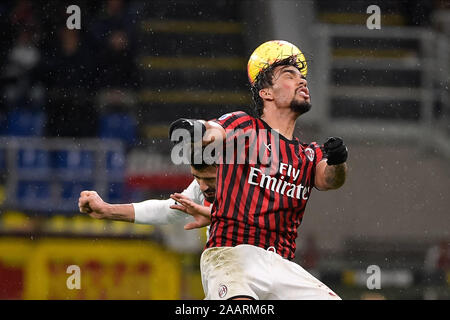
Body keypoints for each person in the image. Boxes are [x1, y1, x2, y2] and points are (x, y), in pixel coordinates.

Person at [169, 40, 348, 300]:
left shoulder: (310, 154)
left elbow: (331, 179)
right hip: (232, 254)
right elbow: (215, 132)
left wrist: (338, 160)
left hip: (283, 265)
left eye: (302, 77)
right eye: (290, 75)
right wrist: (195, 128)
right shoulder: (244, 126)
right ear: (266, 93)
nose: (303, 82)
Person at [78, 161, 214, 231]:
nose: (202, 187)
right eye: (197, 178)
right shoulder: (202, 185)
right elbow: (168, 210)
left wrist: (215, 216)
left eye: (210, 179)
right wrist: (107, 210)